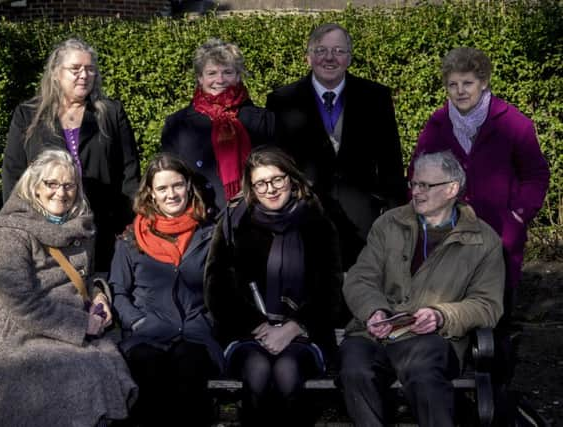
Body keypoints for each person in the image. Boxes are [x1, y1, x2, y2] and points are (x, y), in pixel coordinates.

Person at [0, 149, 137, 427]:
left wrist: (100, 296)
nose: (61, 192)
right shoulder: (10, 232)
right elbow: (20, 301)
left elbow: (86, 276)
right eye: (52, 184)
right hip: (19, 332)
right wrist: (82, 325)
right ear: (34, 186)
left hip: (72, 322)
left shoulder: (79, 227)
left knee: (108, 367)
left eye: (69, 185)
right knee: (79, 374)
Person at [339, 151, 505, 427]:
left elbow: (488, 305)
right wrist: (374, 311)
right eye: (414, 184)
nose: (416, 191)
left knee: (424, 372)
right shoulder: (389, 223)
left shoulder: (483, 240)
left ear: (452, 189)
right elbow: (360, 277)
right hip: (373, 334)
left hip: (435, 339)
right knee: (354, 368)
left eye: (425, 185)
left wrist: (441, 315)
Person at [204, 146, 343, 427]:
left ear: (291, 178)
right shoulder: (234, 221)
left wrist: (293, 327)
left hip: (305, 333)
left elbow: (330, 288)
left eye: (277, 179)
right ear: (251, 188)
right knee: (257, 370)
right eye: (261, 183)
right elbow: (216, 285)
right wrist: (260, 327)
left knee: (287, 370)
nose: (270, 189)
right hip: (247, 333)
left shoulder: (317, 222)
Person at [411, 47, 549, 317]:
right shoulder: (437, 125)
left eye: (468, 83)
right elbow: (416, 173)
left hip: (499, 235)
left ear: (484, 82)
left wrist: (518, 216)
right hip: (446, 237)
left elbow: (536, 175)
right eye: (453, 84)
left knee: (496, 320)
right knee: (446, 315)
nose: (460, 90)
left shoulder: (514, 124)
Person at [266, 23, 407, 270]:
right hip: (306, 220)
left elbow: (391, 163)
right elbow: (275, 165)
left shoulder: (376, 97)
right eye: (321, 50)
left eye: (339, 51)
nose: (329, 58)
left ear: (349, 57)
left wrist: (396, 220)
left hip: (365, 223)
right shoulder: (281, 101)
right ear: (308, 57)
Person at [2, 38, 141, 273]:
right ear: (56, 73)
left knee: (99, 298)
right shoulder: (28, 115)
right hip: (44, 231)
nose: (84, 75)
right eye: (75, 69)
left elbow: (130, 172)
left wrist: (127, 223)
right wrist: (18, 224)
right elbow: (13, 172)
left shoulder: (110, 113)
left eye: (90, 69)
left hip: (101, 229)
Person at [109, 153, 223, 427]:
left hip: (195, 334)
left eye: (177, 185)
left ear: (188, 186)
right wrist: (137, 321)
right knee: (147, 367)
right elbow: (118, 290)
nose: (171, 194)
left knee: (188, 366)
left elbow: (222, 289)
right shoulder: (130, 238)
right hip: (147, 333)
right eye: (162, 188)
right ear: (151, 193)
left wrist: (206, 321)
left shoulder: (210, 233)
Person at [161, 38, 275, 215]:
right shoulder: (177, 124)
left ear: (238, 75)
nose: (220, 80)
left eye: (228, 72)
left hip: (255, 215)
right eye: (211, 73)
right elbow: (169, 176)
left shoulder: (264, 120)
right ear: (200, 78)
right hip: (201, 219)